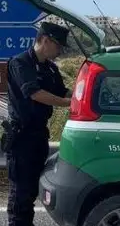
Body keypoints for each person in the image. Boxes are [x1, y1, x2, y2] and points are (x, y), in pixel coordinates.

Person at [3, 22, 73, 226]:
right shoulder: (20, 63)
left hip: (39, 135)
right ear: (45, 40)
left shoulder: (50, 68)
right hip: (21, 138)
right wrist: (70, 103)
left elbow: (61, 90)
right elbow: (35, 94)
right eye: (58, 45)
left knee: (32, 190)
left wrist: (81, 95)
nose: (59, 51)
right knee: (20, 194)